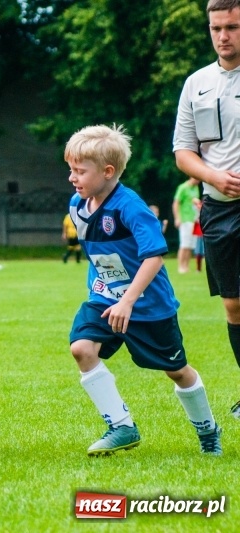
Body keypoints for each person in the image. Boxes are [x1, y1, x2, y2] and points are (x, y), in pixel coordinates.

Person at [66, 124, 221, 456]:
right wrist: (108, 290)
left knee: (176, 371)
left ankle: (208, 430)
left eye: (80, 171)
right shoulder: (77, 206)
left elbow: (154, 256)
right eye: (71, 170)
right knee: (81, 349)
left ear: (108, 172)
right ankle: (121, 427)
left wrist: (129, 300)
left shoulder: (129, 206)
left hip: (147, 306)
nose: (72, 178)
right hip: (105, 300)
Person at [173, 0, 240, 418]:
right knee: (234, 305)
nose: (223, 36)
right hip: (219, 209)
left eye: (232, 26)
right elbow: (183, 152)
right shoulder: (197, 83)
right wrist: (214, 177)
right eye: (216, 28)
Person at [171, 177, 200, 273]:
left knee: (190, 245)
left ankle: (186, 266)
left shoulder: (196, 188)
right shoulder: (183, 187)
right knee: (184, 244)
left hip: (194, 220)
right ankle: (181, 266)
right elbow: (176, 203)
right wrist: (177, 218)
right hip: (185, 219)